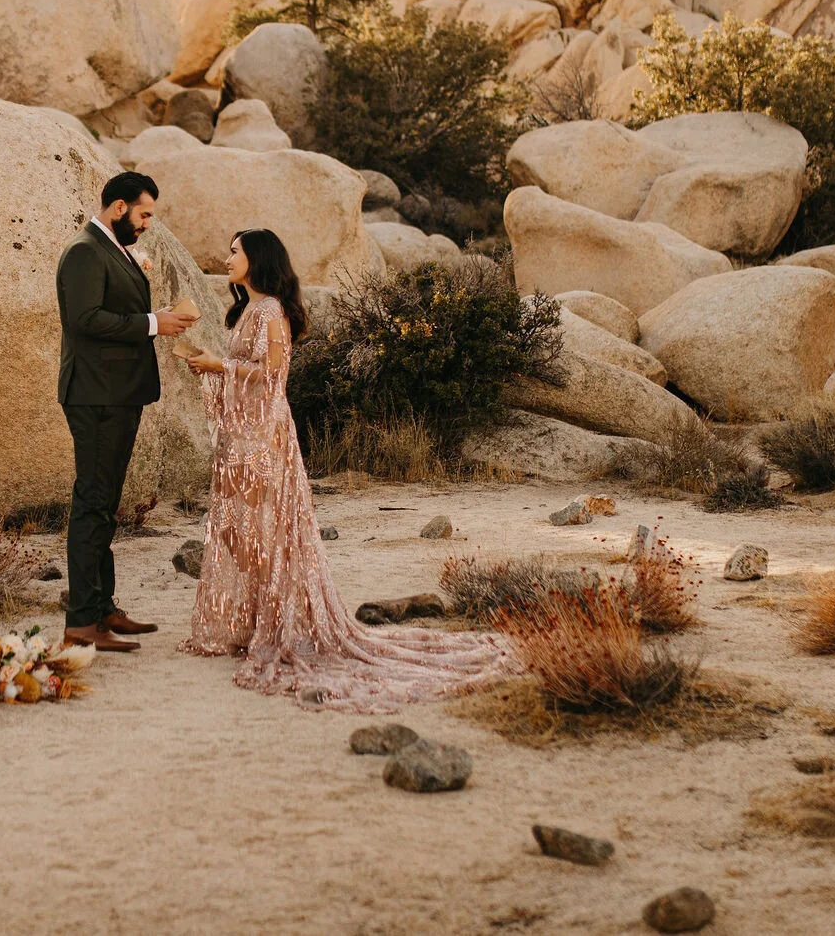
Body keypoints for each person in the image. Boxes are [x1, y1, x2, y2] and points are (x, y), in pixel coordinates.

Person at [179, 229, 511, 711]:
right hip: (241, 436)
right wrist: (214, 366)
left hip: (262, 439)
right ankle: (257, 621)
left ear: (258, 258)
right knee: (238, 531)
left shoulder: (271, 311)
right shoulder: (249, 309)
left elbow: (274, 376)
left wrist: (219, 368)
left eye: (235, 251)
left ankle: (275, 624)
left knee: (263, 530)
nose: (227, 257)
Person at [55, 171, 199, 652]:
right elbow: (84, 320)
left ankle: (102, 608)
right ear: (119, 208)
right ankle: (81, 623)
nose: (146, 225)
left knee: (105, 502)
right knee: (92, 502)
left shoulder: (112, 250)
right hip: (95, 395)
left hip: (116, 394)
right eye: (143, 214)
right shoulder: (83, 251)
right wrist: (155, 322)